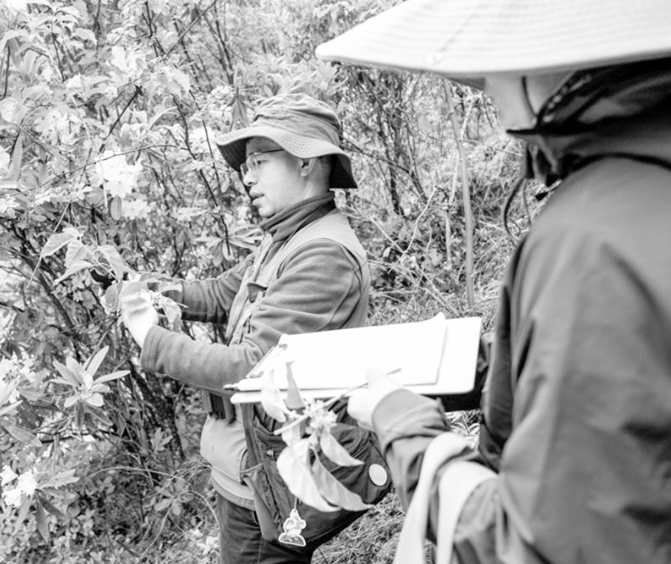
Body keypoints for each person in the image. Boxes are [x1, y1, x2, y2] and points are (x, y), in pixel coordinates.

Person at [313, 1, 671, 563]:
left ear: (556, 63)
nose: (487, 93)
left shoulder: (587, 243)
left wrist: (402, 423)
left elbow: (540, 545)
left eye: (491, 69)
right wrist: (472, 364)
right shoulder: (636, 196)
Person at [120, 92, 390, 563]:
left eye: (260, 162)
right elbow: (225, 294)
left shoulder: (323, 254)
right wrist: (149, 288)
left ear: (305, 162)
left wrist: (150, 337)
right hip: (247, 470)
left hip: (270, 483)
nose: (247, 177)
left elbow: (250, 367)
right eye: (246, 166)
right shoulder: (289, 237)